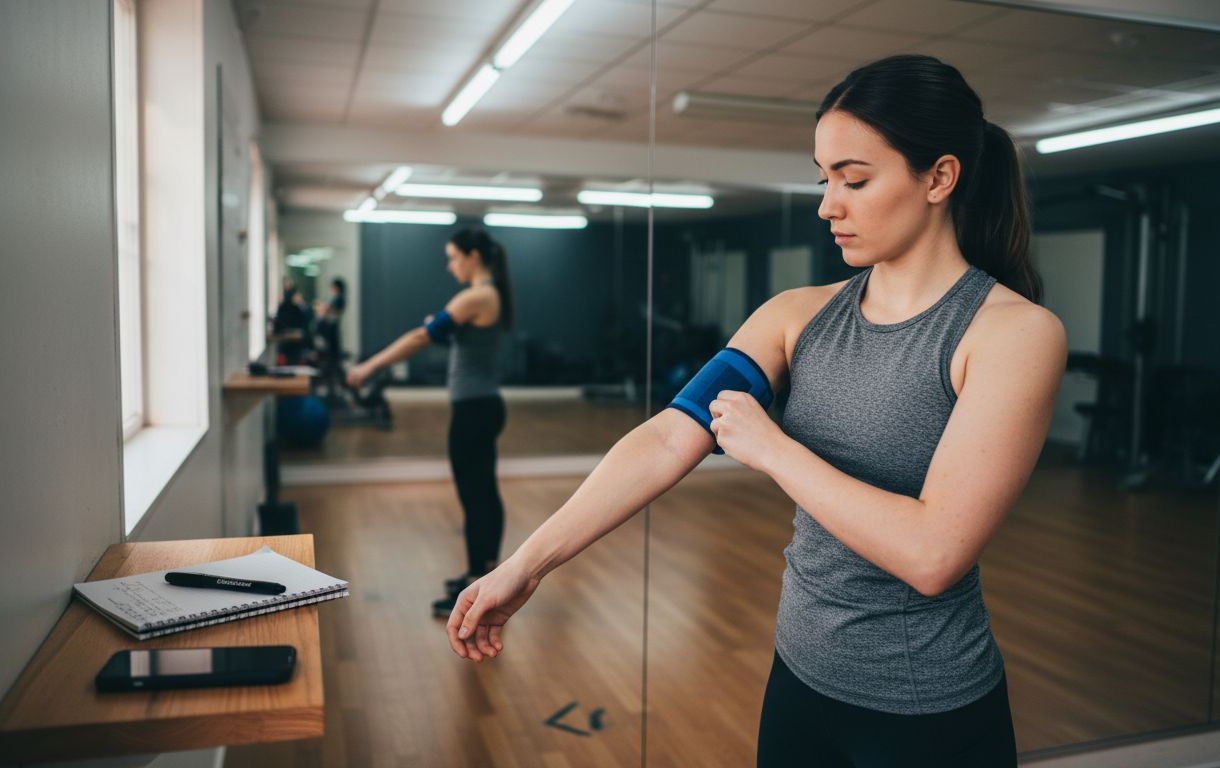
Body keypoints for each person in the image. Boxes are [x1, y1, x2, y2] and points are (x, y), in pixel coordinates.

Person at [444, 54, 1067, 767]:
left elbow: (934, 555)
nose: (828, 205)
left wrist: (773, 449)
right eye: (824, 179)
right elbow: (668, 437)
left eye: (854, 179)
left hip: (927, 710)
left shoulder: (1011, 334)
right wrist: (526, 565)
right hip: (800, 681)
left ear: (939, 178)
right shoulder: (795, 316)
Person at [348, 228, 515, 617]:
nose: (450, 265)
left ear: (473, 256)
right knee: (482, 493)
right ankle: (483, 574)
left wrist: (369, 367)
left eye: (454, 257)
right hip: (481, 406)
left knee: (476, 496)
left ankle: (479, 581)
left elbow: (420, 338)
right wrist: (440, 327)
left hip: (474, 409)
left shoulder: (477, 295)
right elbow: (452, 335)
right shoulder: (487, 295)